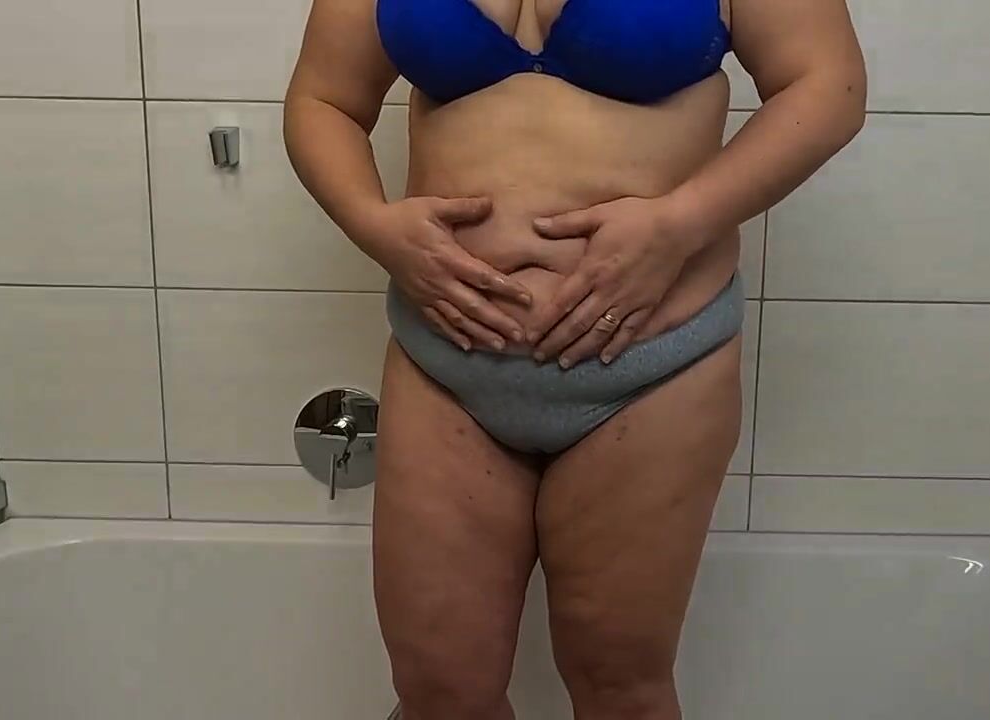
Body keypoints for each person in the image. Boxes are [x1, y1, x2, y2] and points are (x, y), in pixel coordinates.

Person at [285, 1, 865, 717]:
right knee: (440, 691)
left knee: (619, 687)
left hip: (651, 371)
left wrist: (680, 223)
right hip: (445, 364)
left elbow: (828, 84)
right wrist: (371, 222)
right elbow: (324, 100)